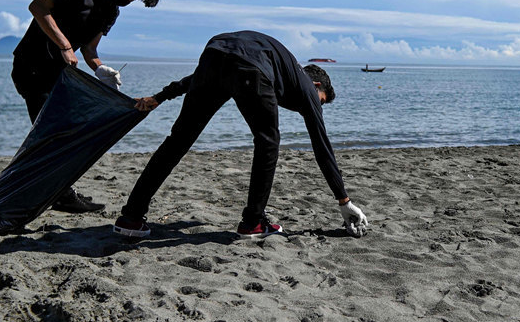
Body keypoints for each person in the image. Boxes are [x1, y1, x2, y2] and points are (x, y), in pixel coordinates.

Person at [113, 30, 369, 239]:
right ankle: (253, 223)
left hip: (214, 53)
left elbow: (198, 76)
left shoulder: (284, 70)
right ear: (316, 87)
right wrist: (343, 201)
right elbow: (321, 146)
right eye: (320, 101)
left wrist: (159, 97)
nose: (315, 107)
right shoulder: (305, 86)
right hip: (250, 67)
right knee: (268, 143)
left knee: (177, 141)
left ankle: (131, 217)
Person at [11, 0, 162, 212]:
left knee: (69, 132)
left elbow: (90, 50)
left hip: (60, 75)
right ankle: (55, 194)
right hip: (32, 66)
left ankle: (57, 192)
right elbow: (38, 7)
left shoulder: (112, 10)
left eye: (136, 0)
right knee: (51, 133)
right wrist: (65, 46)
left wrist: (101, 69)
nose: (131, 0)